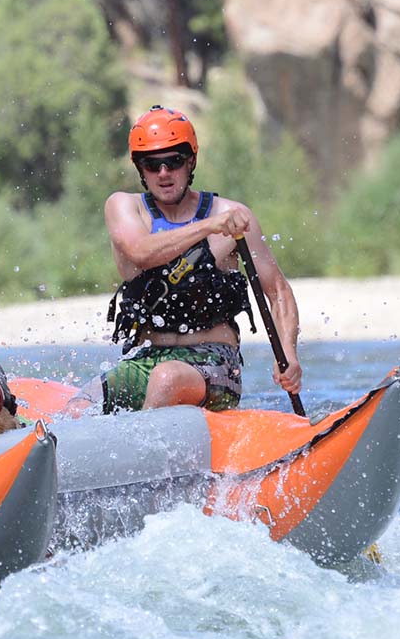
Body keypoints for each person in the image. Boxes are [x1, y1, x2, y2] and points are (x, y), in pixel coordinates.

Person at [93, 104, 301, 414]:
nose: (164, 173)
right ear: (140, 169)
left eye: (174, 161)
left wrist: (289, 354)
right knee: (81, 405)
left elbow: (278, 292)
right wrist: (208, 228)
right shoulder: (124, 207)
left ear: (191, 162)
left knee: (166, 379)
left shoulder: (230, 215)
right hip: (145, 359)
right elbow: (142, 252)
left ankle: (141, 452)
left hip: (213, 363)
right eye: (152, 164)